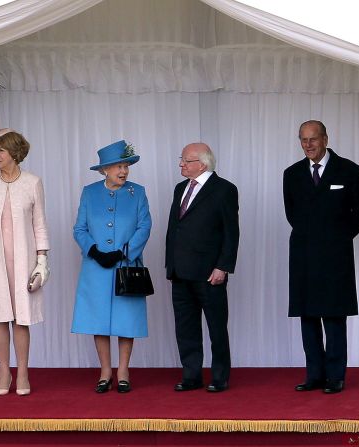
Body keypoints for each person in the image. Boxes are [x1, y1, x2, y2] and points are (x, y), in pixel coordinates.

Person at [282, 120, 359, 394]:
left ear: (325, 139)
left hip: (335, 256)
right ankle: (314, 375)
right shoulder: (292, 174)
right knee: (308, 317)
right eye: (303, 140)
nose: (308, 145)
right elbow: (292, 214)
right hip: (303, 255)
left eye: (313, 139)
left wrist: (339, 238)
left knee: (333, 317)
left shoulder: (350, 170)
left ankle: (335, 376)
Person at [0, 127, 50, 396]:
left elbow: (39, 225)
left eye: (0, 150)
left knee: (21, 318)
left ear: (14, 153)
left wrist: (42, 262)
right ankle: (4, 372)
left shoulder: (32, 182)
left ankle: (23, 373)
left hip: (24, 260)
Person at [72, 140, 152, 394]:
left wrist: (124, 252)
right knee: (98, 320)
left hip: (126, 267)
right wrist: (94, 251)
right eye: (119, 166)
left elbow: (145, 226)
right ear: (104, 169)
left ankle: (123, 370)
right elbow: (79, 228)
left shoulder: (137, 192)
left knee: (125, 319)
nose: (124, 171)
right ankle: (105, 370)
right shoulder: (89, 192)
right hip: (96, 268)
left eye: (126, 166)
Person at [165, 142, 239, 393]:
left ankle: (219, 376)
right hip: (180, 271)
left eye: (186, 160)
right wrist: (170, 264)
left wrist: (223, 267)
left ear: (203, 163)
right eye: (181, 159)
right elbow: (175, 228)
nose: (181, 164)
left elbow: (231, 232)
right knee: (185, 328)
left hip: (210, 273)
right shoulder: (180, 189)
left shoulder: (224, 189)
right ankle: (191, 375)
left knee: (217, 327)